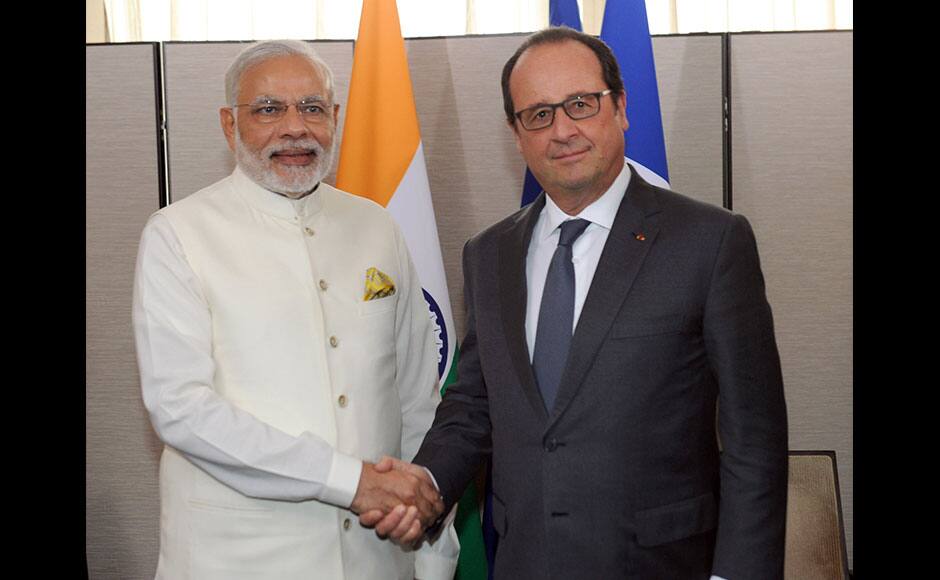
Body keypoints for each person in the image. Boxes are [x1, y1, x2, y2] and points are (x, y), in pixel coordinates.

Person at [368, 27, 788, 580]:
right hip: (525, 562)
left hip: (662, 563)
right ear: (516, 134)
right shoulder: (488, 254)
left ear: (621, 108)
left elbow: (754, 439)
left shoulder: (709, 242)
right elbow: (475, 405)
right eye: (538, 114)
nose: (562, 130)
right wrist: (427, 482)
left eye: (581, 104)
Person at [132, 39, 456, 580]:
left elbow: (417, 396)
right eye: (268, 109)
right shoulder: (178, 235)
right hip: (237, 558)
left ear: (335, 118)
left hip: (380, 556)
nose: (294, 128)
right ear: (229, 126)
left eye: (311, 108)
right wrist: (349, 481)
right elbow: (180, 407)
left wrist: (431, 548)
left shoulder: (377, 225)